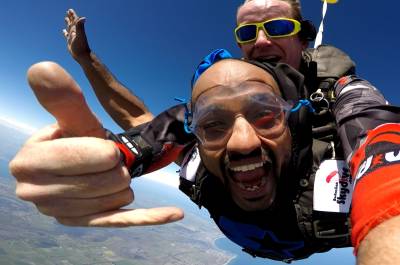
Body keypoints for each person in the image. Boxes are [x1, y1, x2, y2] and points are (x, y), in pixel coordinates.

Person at [10, 52, 400, 264]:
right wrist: (104, 162)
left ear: (291, 120)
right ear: (195, 134)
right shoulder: (200, 167)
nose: (242, 143)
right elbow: (138, 122)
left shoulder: (333, 168)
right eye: (214, 124)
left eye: (265, 114)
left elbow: (382, 161)